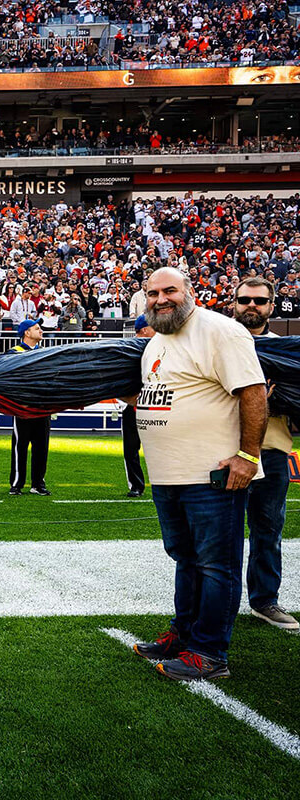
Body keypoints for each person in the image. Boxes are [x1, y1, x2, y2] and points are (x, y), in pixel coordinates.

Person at [132, 267, 268, 681]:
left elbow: (253, 392)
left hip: (212, 474)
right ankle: (184, 633)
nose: (161, 299)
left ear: (190, 291)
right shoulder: (156, 341)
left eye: (169, 290)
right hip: (168, 475)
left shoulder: (220, 330)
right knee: (185, 558)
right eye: (152, 293)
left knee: (216, 565)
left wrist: (248, 455)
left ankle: (209, 652)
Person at [233, 277, 298, 630]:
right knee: (219, 535)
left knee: (268, 530)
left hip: (272, 450)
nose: (251, 306)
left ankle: (264, 600)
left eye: (259, 300)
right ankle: (217, 602)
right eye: (245, 299)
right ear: (234, 303)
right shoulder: (221, 342)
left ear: (272, 306)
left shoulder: (287, 349)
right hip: (224, 451)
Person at [8, 320, 51, 496]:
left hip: (43, 407)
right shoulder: (13, 353)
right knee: (20, 446)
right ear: (26, 333)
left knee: (42, 446)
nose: (40, 330)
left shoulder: (45, 353)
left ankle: (38, 483)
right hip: (23, 407)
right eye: (36, 328)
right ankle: (17, 483)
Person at [121, 315, 155, 498]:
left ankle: (163, 482)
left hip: (156, 405)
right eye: (152, 326)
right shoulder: (129, 350)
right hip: (135, 406)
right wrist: (129, 399)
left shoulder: (160, 348)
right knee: (131, 448)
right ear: (143, 330)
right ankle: (136, 484)